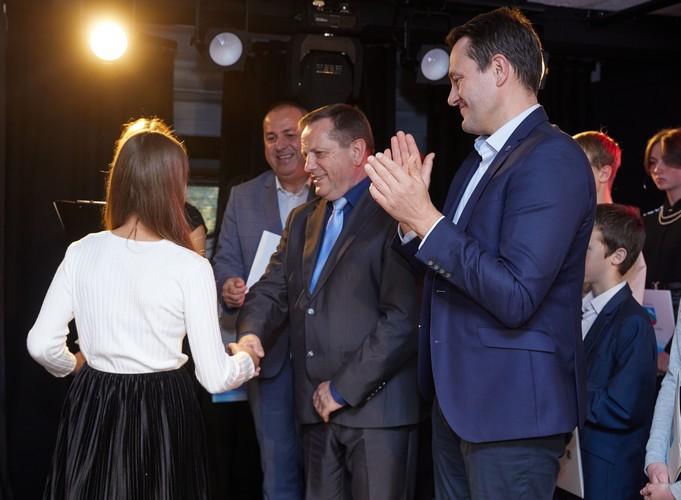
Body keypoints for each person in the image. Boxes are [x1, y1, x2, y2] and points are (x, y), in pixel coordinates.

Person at [365, 7, 595, 499]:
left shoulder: (552, 158)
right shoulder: (479, 160)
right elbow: (453, 269)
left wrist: (426, 218)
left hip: (511, 412)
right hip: (458, 403)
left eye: (457, 80)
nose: (451, 97)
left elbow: (515, 294)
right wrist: (411, 224)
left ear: (500, 70)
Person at [26, 117, 261, 500]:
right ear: (174, 184)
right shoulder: (191, 266)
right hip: (163, 407)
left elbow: (40, 344)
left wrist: (74, 366)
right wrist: (247, 358)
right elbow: (215, 377)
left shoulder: (82, 251)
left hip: (94, 398)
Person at [234, 104, 421, 500]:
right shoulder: (302, 219)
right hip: (315, 414)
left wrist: (341, 389)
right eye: (306, 155)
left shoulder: (398, 213)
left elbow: (403, 319)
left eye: (318, 153)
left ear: (357, 152)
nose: (308, 166)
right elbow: (271, 290)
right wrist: (251, 335)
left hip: (377, 417)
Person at [212, 102, 310, 499]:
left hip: (329, 357)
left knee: (329, 472)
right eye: (271, 137)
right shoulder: (243, 197)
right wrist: (228, 286)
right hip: (267, 354)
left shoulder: (333, 189)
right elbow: (223, 261)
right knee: (278, 473)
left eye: (290, 135)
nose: (281, 145)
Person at [580, 204, 657, 500]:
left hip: (607, 474)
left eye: (587, 247)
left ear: (617, 256)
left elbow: (623, 408)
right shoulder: (583, 307)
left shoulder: (633, 322)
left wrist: (565, 388)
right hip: (579, 463)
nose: (576, 251)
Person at [573, 131, 647, 303]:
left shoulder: (623, 232)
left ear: (604, 173)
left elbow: (628, 308)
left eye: (576, 166)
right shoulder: (572, 222)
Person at [642, 128, 681, 376]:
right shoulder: (647, 221)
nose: (658, 169)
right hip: (650, 318)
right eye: (653, 162)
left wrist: (672, 347)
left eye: (668, 161)